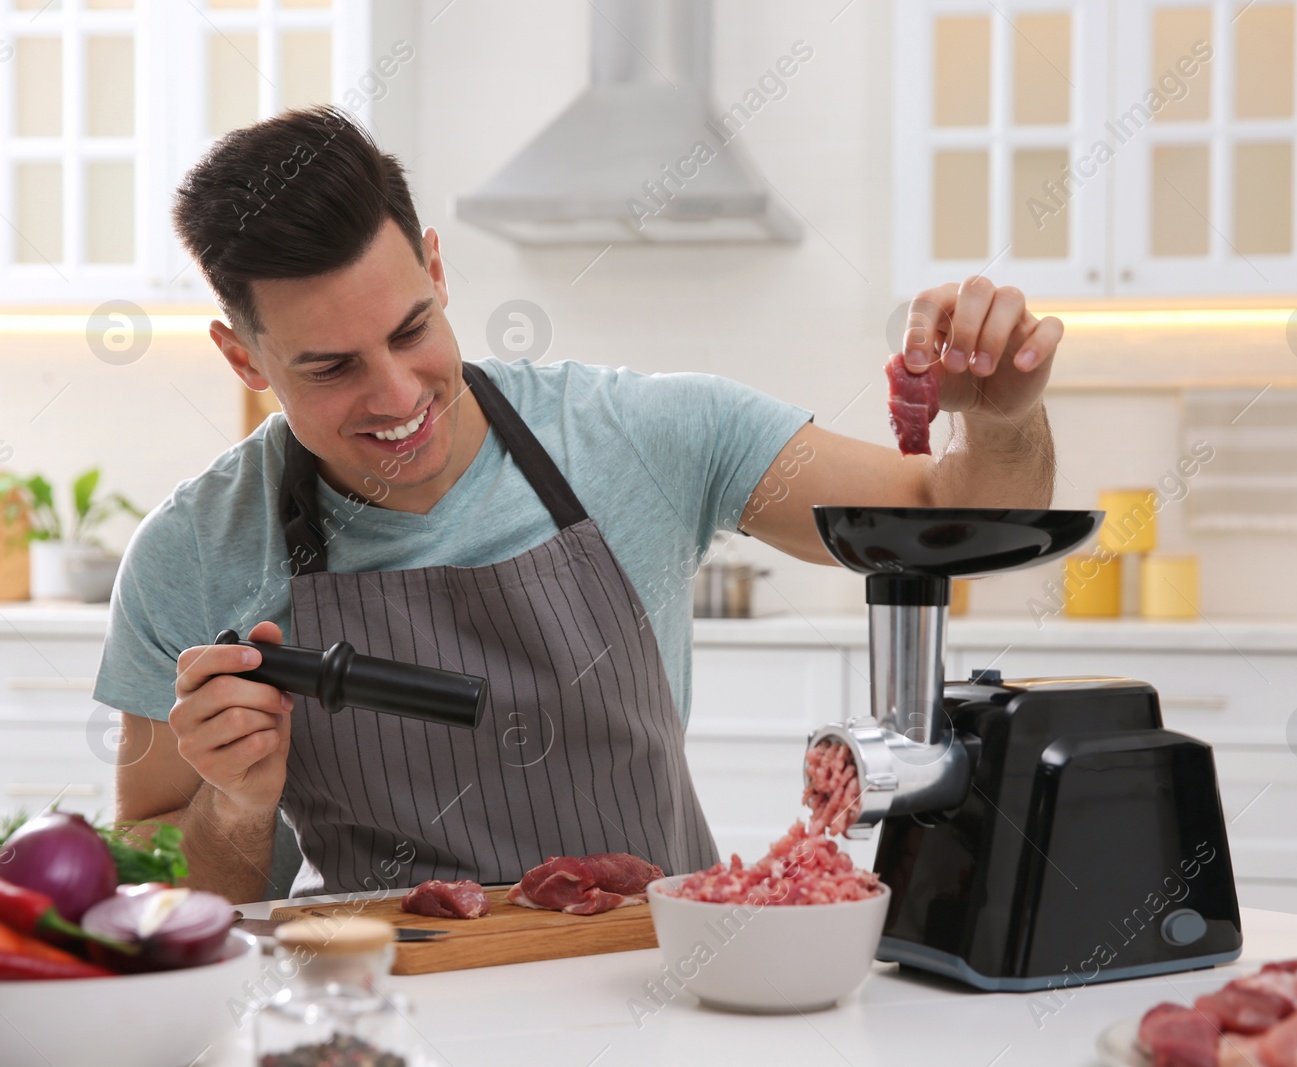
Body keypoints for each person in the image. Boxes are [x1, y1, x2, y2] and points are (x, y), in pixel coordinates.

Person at [99, 106, 1062, 903]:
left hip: (669, 992)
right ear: (242, 357)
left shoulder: (646, 434)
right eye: (332, 366)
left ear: (436, 270)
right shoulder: (190, 556)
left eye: (410, 330)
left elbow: (949, 521)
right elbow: (163, 897)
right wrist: (231, 808)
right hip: (390, 1016)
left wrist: (1005, 421)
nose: (396, 395)